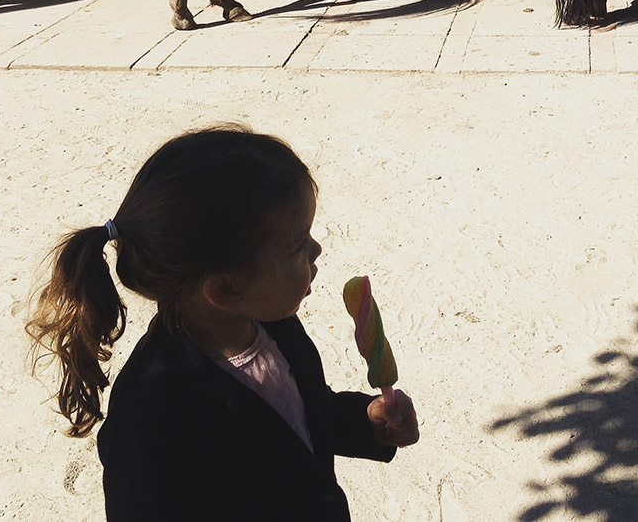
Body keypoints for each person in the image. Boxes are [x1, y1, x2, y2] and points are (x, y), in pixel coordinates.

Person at [27, 125, 419, 521]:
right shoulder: (152, 414)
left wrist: (365, 422)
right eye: (299, 244)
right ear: (226, 289)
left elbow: (299, 418)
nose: (317, 249)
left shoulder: (276, 328)